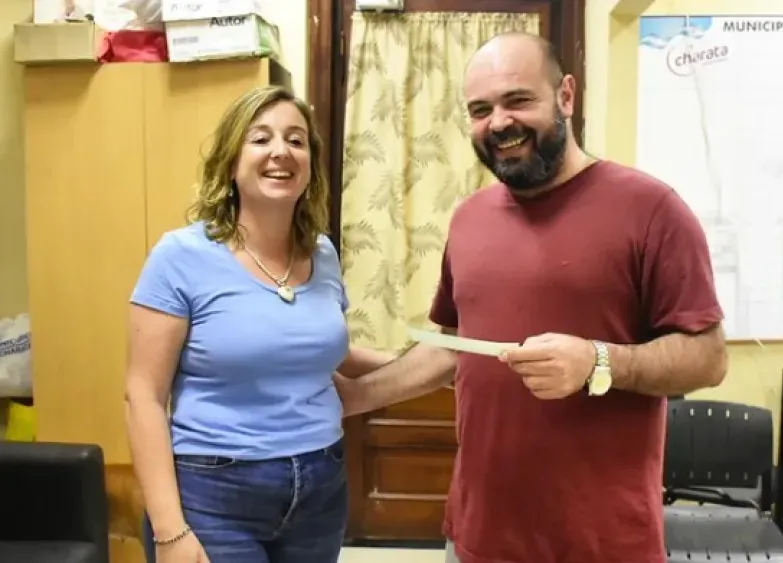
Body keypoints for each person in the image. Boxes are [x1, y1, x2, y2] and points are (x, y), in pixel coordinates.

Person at [336, 32, 728, 563]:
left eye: (518, 100)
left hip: (603, 546)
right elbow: (455, 346)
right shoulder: (469, 219)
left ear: (566, 95)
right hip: (477, 538)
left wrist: (598, 362)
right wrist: (355, 397)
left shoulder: (652, 210)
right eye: (480, 110)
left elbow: (708, 357)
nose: (499, 122)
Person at [124, 86, 392, 563]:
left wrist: (430, 363)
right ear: (231, 162)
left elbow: (317, 352)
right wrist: (169, 530)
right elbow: (142, 396)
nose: (280, 151)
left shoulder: (322, 253)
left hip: (320, 487)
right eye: (261, 138)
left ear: (310, 165)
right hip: (214, 492)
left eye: (296, 140)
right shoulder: (180, 256)